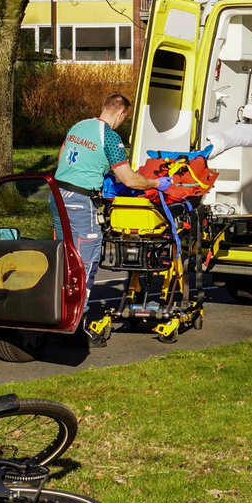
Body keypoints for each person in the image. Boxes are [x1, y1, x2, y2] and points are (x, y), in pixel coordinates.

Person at [53, 92, 170, 344]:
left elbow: (62, 158)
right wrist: (156, 183)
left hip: (57, 195)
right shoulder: (110, 137)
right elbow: (129, 179)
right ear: (121, 113)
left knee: (63, 259)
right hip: (80, 201)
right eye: (124, 117)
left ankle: (56, 313)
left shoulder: (79, 125)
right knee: (85, 263)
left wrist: (95, 171)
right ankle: (76, 326)